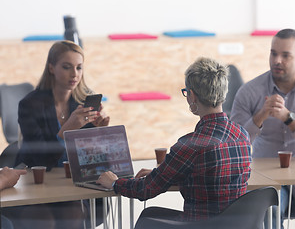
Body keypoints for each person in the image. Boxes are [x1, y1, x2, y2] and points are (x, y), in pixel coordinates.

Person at [97, 57, 252, 227]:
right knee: (150, 214)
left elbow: (145, 189)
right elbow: (214, 178)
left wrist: (113, 182)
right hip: (234, 224)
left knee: (147, 219)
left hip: (200, 225)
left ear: (192, 96)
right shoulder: (242, 135)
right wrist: (165, 174)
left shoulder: (190, 145)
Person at [230, 28, 295, 228]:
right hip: (267, 178)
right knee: (269, 213)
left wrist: (290, 119)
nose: (277, 60)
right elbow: (233, 146)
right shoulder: (249, 91)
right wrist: (260, 116)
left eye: (286, 55)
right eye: (273, 53)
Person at [11, 40, 110, 229]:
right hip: (36, 182)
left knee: (73, 213)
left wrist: (100, 130)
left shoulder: (84, 102)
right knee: (43, 220)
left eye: (79, 68)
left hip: (70, 184)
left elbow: (95, 159)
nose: (75, 74)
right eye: (67, 67)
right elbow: (39, 158)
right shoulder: (29, 104)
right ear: (51, 67)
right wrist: (66, 131)